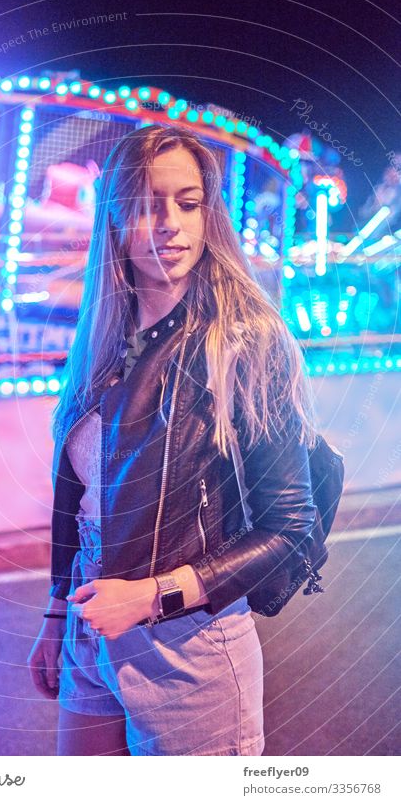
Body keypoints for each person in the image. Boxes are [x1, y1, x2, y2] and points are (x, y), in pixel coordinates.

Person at [27, 123, 318, 756]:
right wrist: (57, 609)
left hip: (190, 643)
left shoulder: (243, 340)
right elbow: (76, 494)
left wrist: (152, 596)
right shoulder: (104, 335)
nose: (169, 224)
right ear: (115, 222)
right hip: (92, 620)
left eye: (188, 203)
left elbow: (293, 527)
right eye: (146, 206)